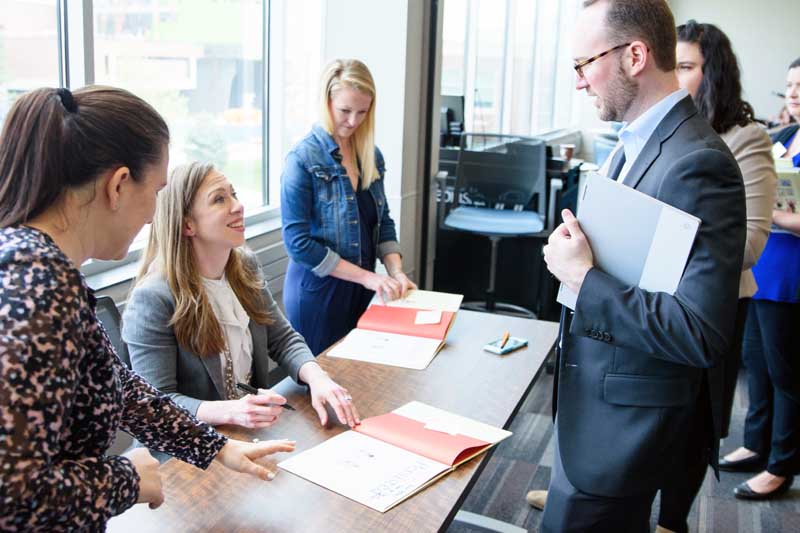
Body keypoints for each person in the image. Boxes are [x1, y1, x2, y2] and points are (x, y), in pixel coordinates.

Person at [0, 87, 294, 531]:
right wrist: (127, 479)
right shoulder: (39, 286)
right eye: (157, 191)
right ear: (118, 185)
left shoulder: (45, 269)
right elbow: (13, 494)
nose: (156, 214)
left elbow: (121, 387)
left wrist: (216, 448)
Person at [539, 1, 746, 531]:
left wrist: (583, 278)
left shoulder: (697, 162)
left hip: (624, 424)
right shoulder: (634, 143)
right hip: (594, 403)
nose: (580, 82)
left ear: (635, 55)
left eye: (586, 64)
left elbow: (699, 332)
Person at [123, 161, 360, 443]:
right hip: (186, 450)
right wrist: (231, 411)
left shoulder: (243, 266)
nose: (238, 206)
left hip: (246, 434)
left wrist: (317, 377)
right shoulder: (152, 298)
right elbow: (157, 405)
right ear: (188, 224)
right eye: (219, 199)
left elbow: (282, 338)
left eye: (233, 194)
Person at [649, 21, 779, 531]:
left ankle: (672, 519)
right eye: (671, 65)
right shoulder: (657, 132)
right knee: (637, 409)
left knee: (691, 423)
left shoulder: (745, 138)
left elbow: (748, 245)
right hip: (649, 297)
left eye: (686, 67)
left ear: (713, 74)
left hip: (711, 305)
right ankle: (599, 495)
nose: (674, 77)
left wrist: (657, 245)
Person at [280, 59, 416, 355]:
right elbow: (298, 244)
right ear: (326, 102)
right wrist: (370, 277)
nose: (354, 121)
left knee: (359, 381)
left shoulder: (370, 155)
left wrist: (396, 271)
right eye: (345, 110)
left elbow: (383, 222)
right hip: (319, 294)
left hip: (362, 290)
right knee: (320, 390)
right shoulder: (302, 159)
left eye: (362, 112)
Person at [720, 58, 800, 501]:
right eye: (790, 84)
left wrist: (774, 215)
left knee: (788, 374)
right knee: (758, 368)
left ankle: (782, 465)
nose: (793, 93)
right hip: (760, 269)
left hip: (792, 277)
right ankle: (756, 443)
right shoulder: (780, 137)